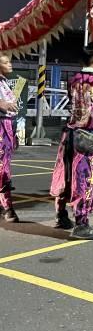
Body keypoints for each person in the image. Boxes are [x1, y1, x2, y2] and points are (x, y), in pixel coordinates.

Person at [50, 48, 93, 240]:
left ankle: (61, 215)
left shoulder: (72, 80)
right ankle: (81, 224)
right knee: (84, 179)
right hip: (87, 136)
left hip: (68, 135)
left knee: (64, 175)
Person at [0, 54, 19, 223]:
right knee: (2, 169)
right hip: (1, 128)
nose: (10, 64)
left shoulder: (4, 81)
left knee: (4, 167)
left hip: (8, 128)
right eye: (5, 62)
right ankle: (8, 208)